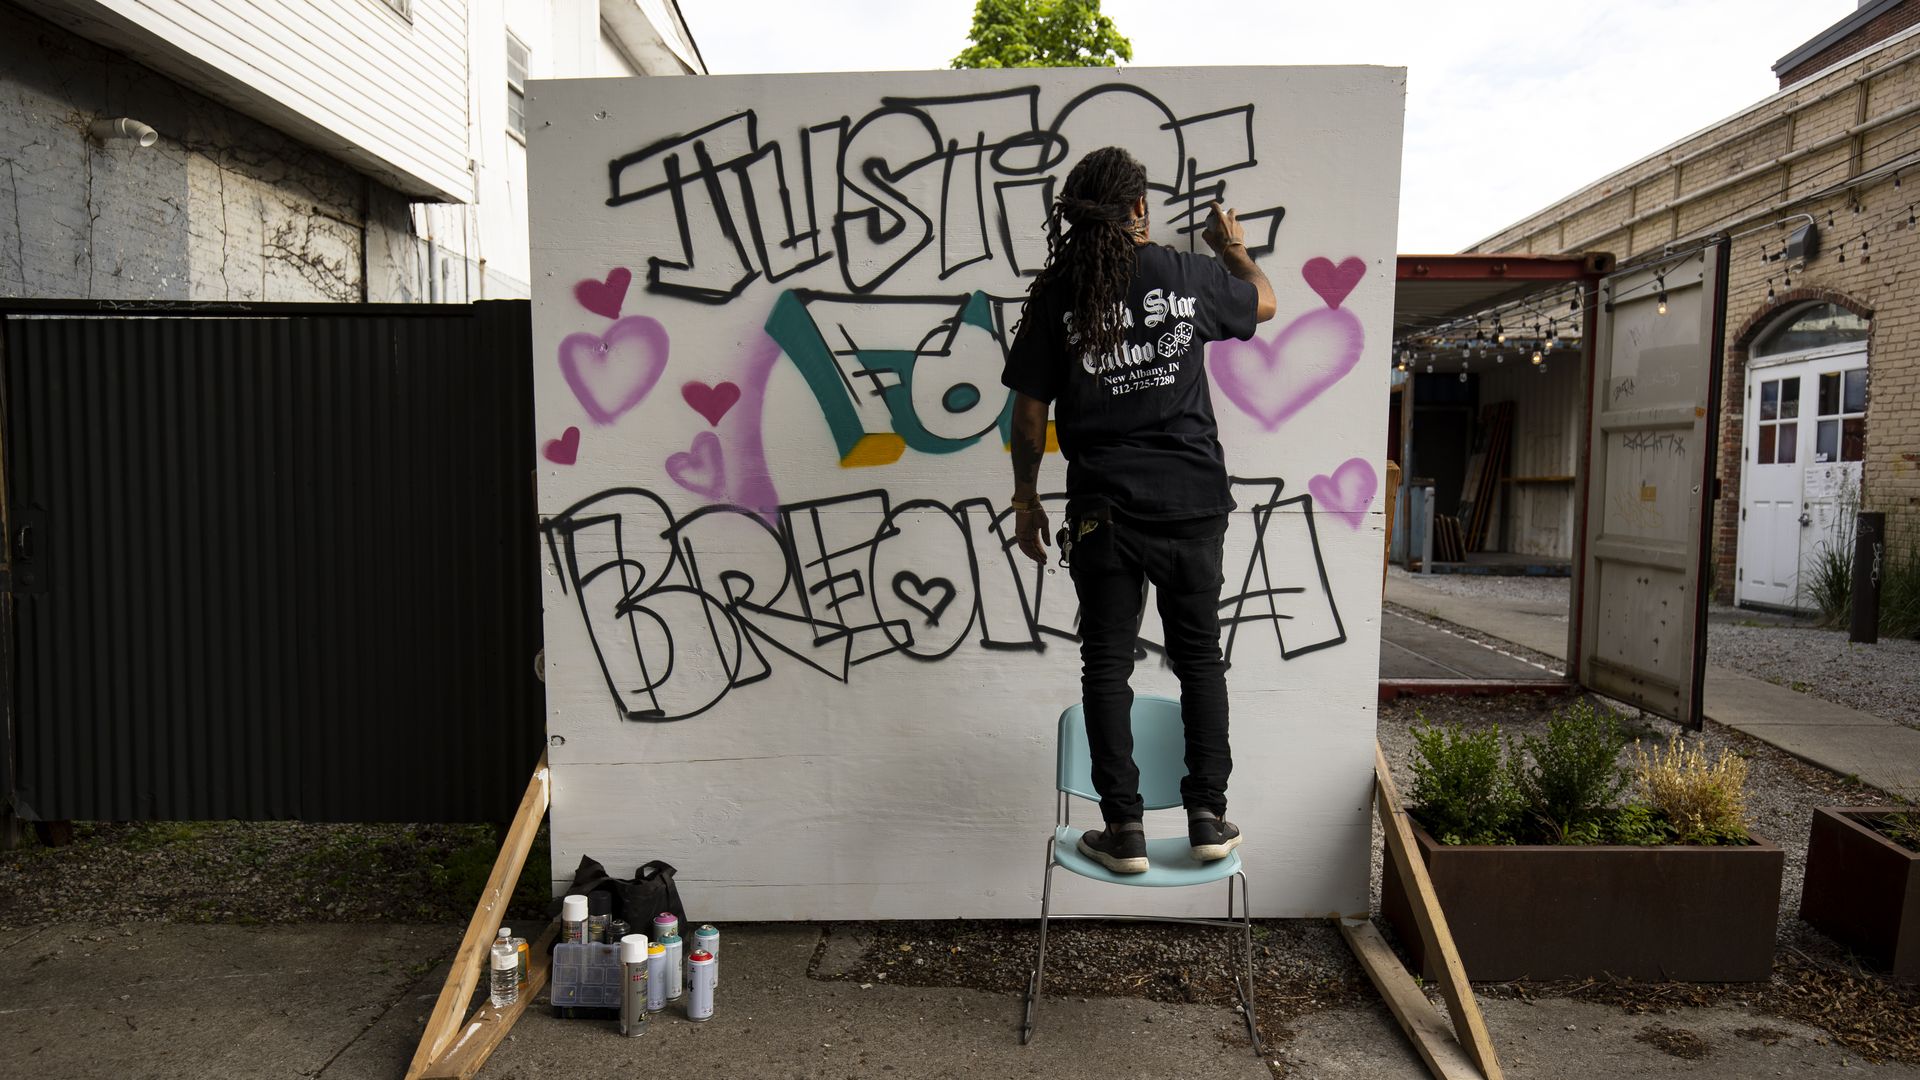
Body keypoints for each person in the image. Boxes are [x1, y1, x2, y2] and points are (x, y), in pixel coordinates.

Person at [1000, 146, 1276, 874]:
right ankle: (1207, 819)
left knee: (1105, 666)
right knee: (1199, 662)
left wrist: (1026, 498)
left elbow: (1029, 419)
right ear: (1138, 210)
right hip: (1191, 503)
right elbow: (1266, 302)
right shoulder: (1189, 274)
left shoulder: (1059, 293)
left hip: (1103, 513)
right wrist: (1235, 249)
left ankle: (1123, 831)